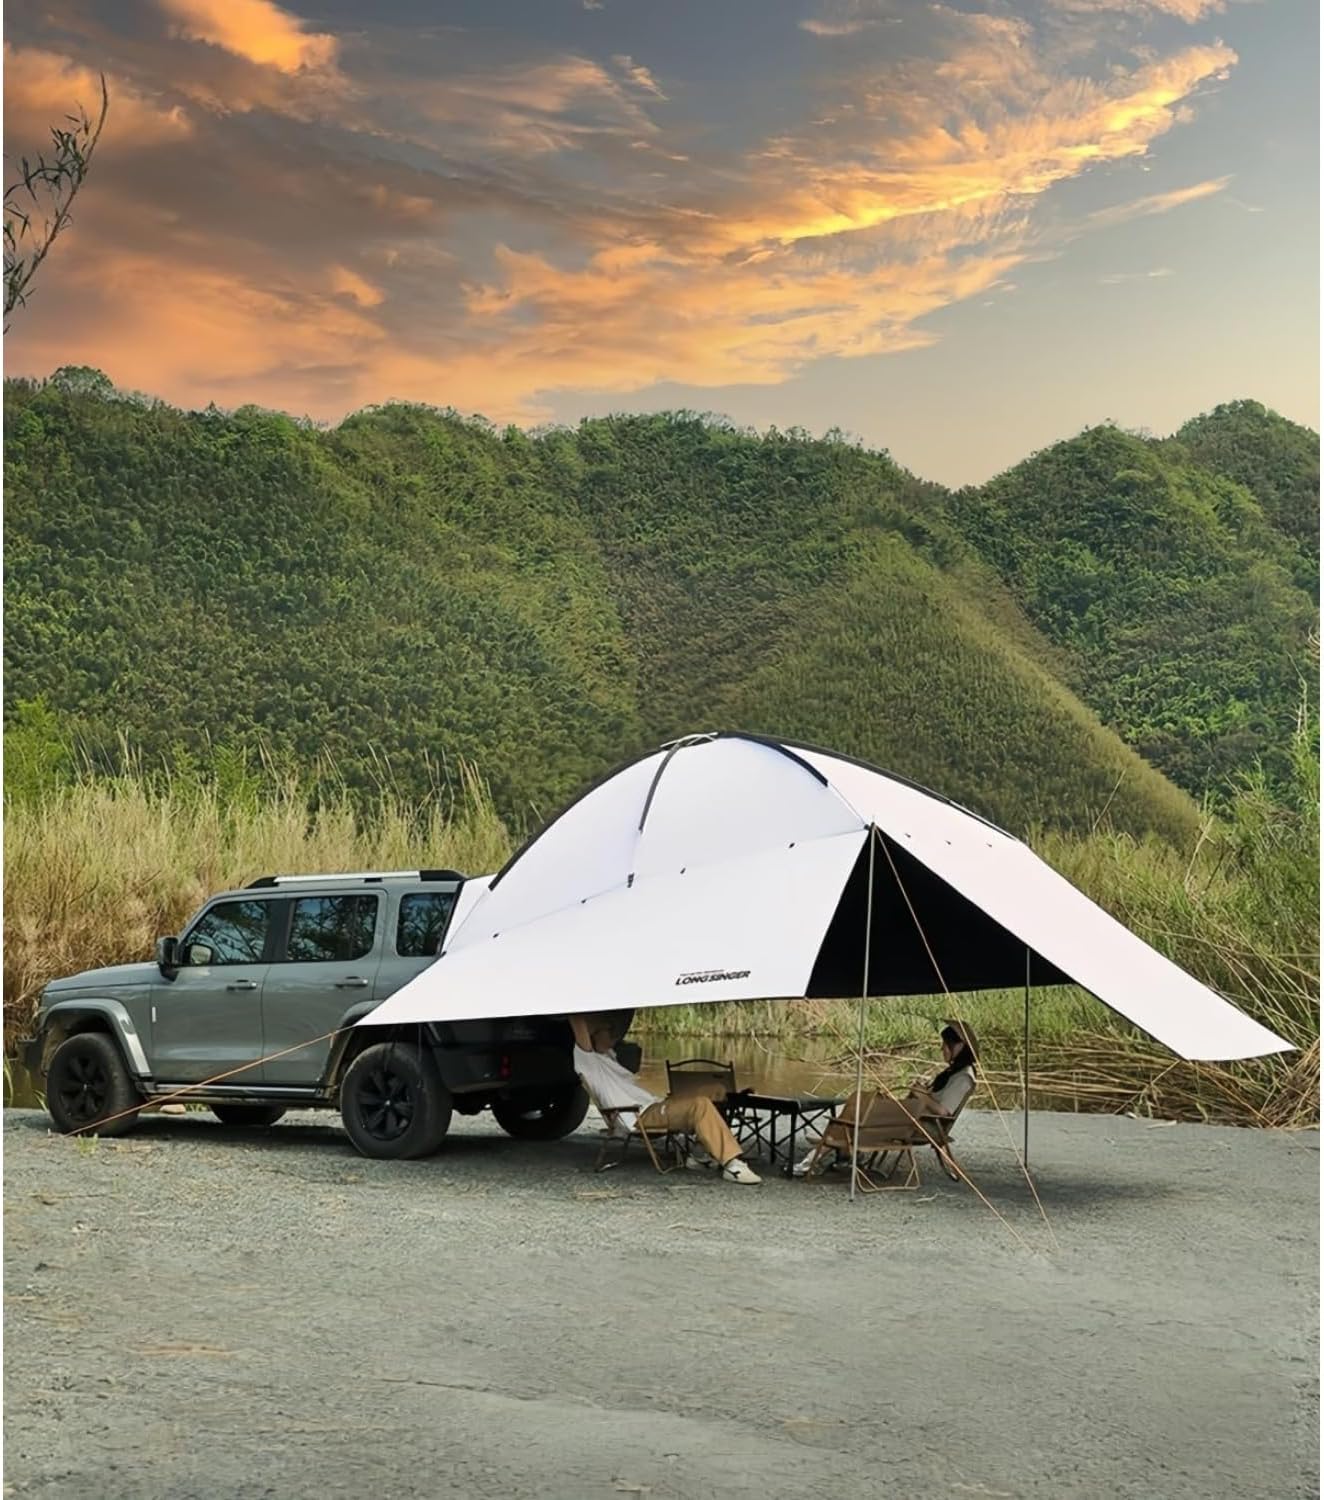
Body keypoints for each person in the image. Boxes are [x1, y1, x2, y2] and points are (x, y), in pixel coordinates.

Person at [568, 1013, 762, 1184]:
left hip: (654, 1106)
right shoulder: (588, 1061)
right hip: (638, 1116)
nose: (613, 1037)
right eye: (608, 1031)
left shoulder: (609, 1056)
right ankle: (732, 1164)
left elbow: (608, 1037)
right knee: (700, 1105)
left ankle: (699, 1155)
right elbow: (577, 1020)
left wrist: (609, 1023)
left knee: (715, 1090)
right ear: (593, 1034)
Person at [792, 1020, 979, 1176]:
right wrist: (922, 1090)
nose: (942, 1049)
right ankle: (838, 1151)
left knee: (859, 1104)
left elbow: (943, 1111)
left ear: (960, 1046)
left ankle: (824, 1149)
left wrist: (921, 1094)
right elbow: (935, 1100)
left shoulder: (963, 1078)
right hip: (914, 1117)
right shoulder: (952, 1072)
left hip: (923, 1125)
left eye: (945, 1045)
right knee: (859, 1099)